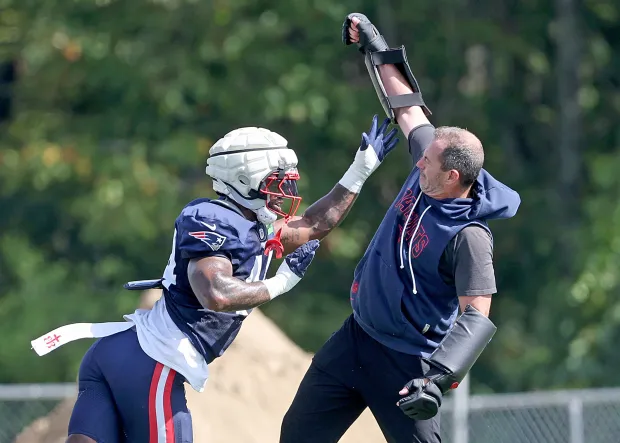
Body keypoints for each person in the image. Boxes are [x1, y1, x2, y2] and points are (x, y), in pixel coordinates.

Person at [30, 116, 400, 442]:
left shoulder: (253, 224)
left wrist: (361, 169)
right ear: (243, 180)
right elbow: (216, 294)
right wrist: (283, 281)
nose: (285, 192)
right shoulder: (212, 218)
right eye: (276, 181)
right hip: (152, 365)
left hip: (123, 357)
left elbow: (316, 223)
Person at [279, 13, 522, 443]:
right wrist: (376, 46)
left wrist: (438, 379)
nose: (419, 159)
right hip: (355, 338)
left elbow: (476, 314)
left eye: (428, 161)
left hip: (408, 365)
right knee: (297, 435)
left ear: (452, 178)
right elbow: (407, 107)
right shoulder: (434, 159)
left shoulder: (470, 237)